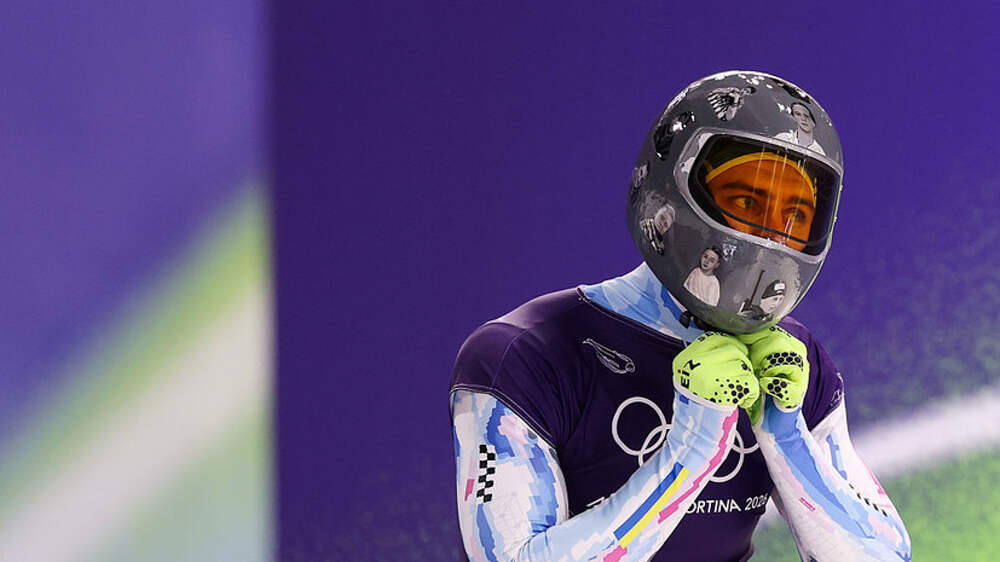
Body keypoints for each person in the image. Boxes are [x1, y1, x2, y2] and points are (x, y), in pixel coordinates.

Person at [450, 71, 910, 561]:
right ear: (670, 188)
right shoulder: (522, 356)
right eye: (746, 201)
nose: (773, 237)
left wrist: (786, 436)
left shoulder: (792, 363)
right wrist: (689, 451)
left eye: (795, 216)